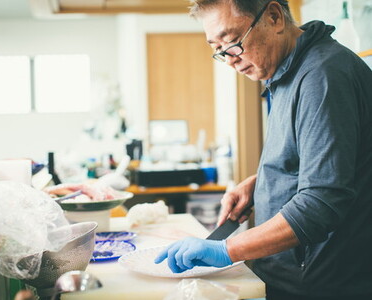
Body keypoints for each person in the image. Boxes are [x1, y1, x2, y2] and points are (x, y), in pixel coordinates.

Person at [154, 1, 372, 299]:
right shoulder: (286, 72)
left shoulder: (322, 77)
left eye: (232, 42)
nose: (229, 59)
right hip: (288, 276)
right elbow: (323, 159)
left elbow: (322, 200)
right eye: (218, 48)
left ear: (273, 17)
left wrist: (226, 249)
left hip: (322, 284)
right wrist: (262, 183)